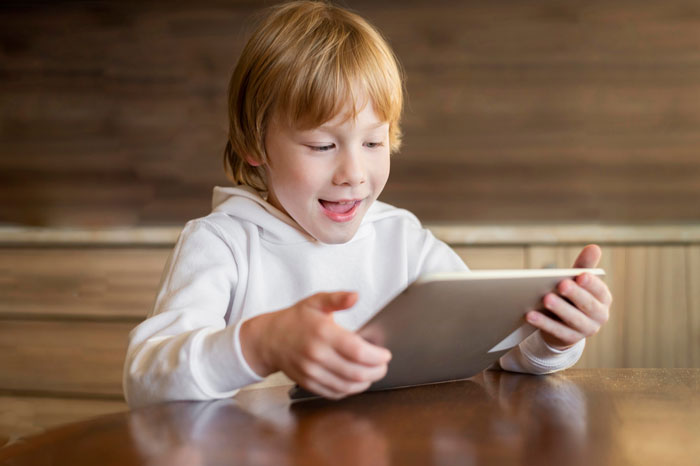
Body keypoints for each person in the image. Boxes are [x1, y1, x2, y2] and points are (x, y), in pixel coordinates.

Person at [123, 0, 613, 408]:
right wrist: (262, 343)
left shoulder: (405, 241)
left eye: (374, 144)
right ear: (255, 144)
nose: (353, 174)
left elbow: (497, 353)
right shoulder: (223, 243)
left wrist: (554, 336)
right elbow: (147, 379)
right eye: (321, 146)